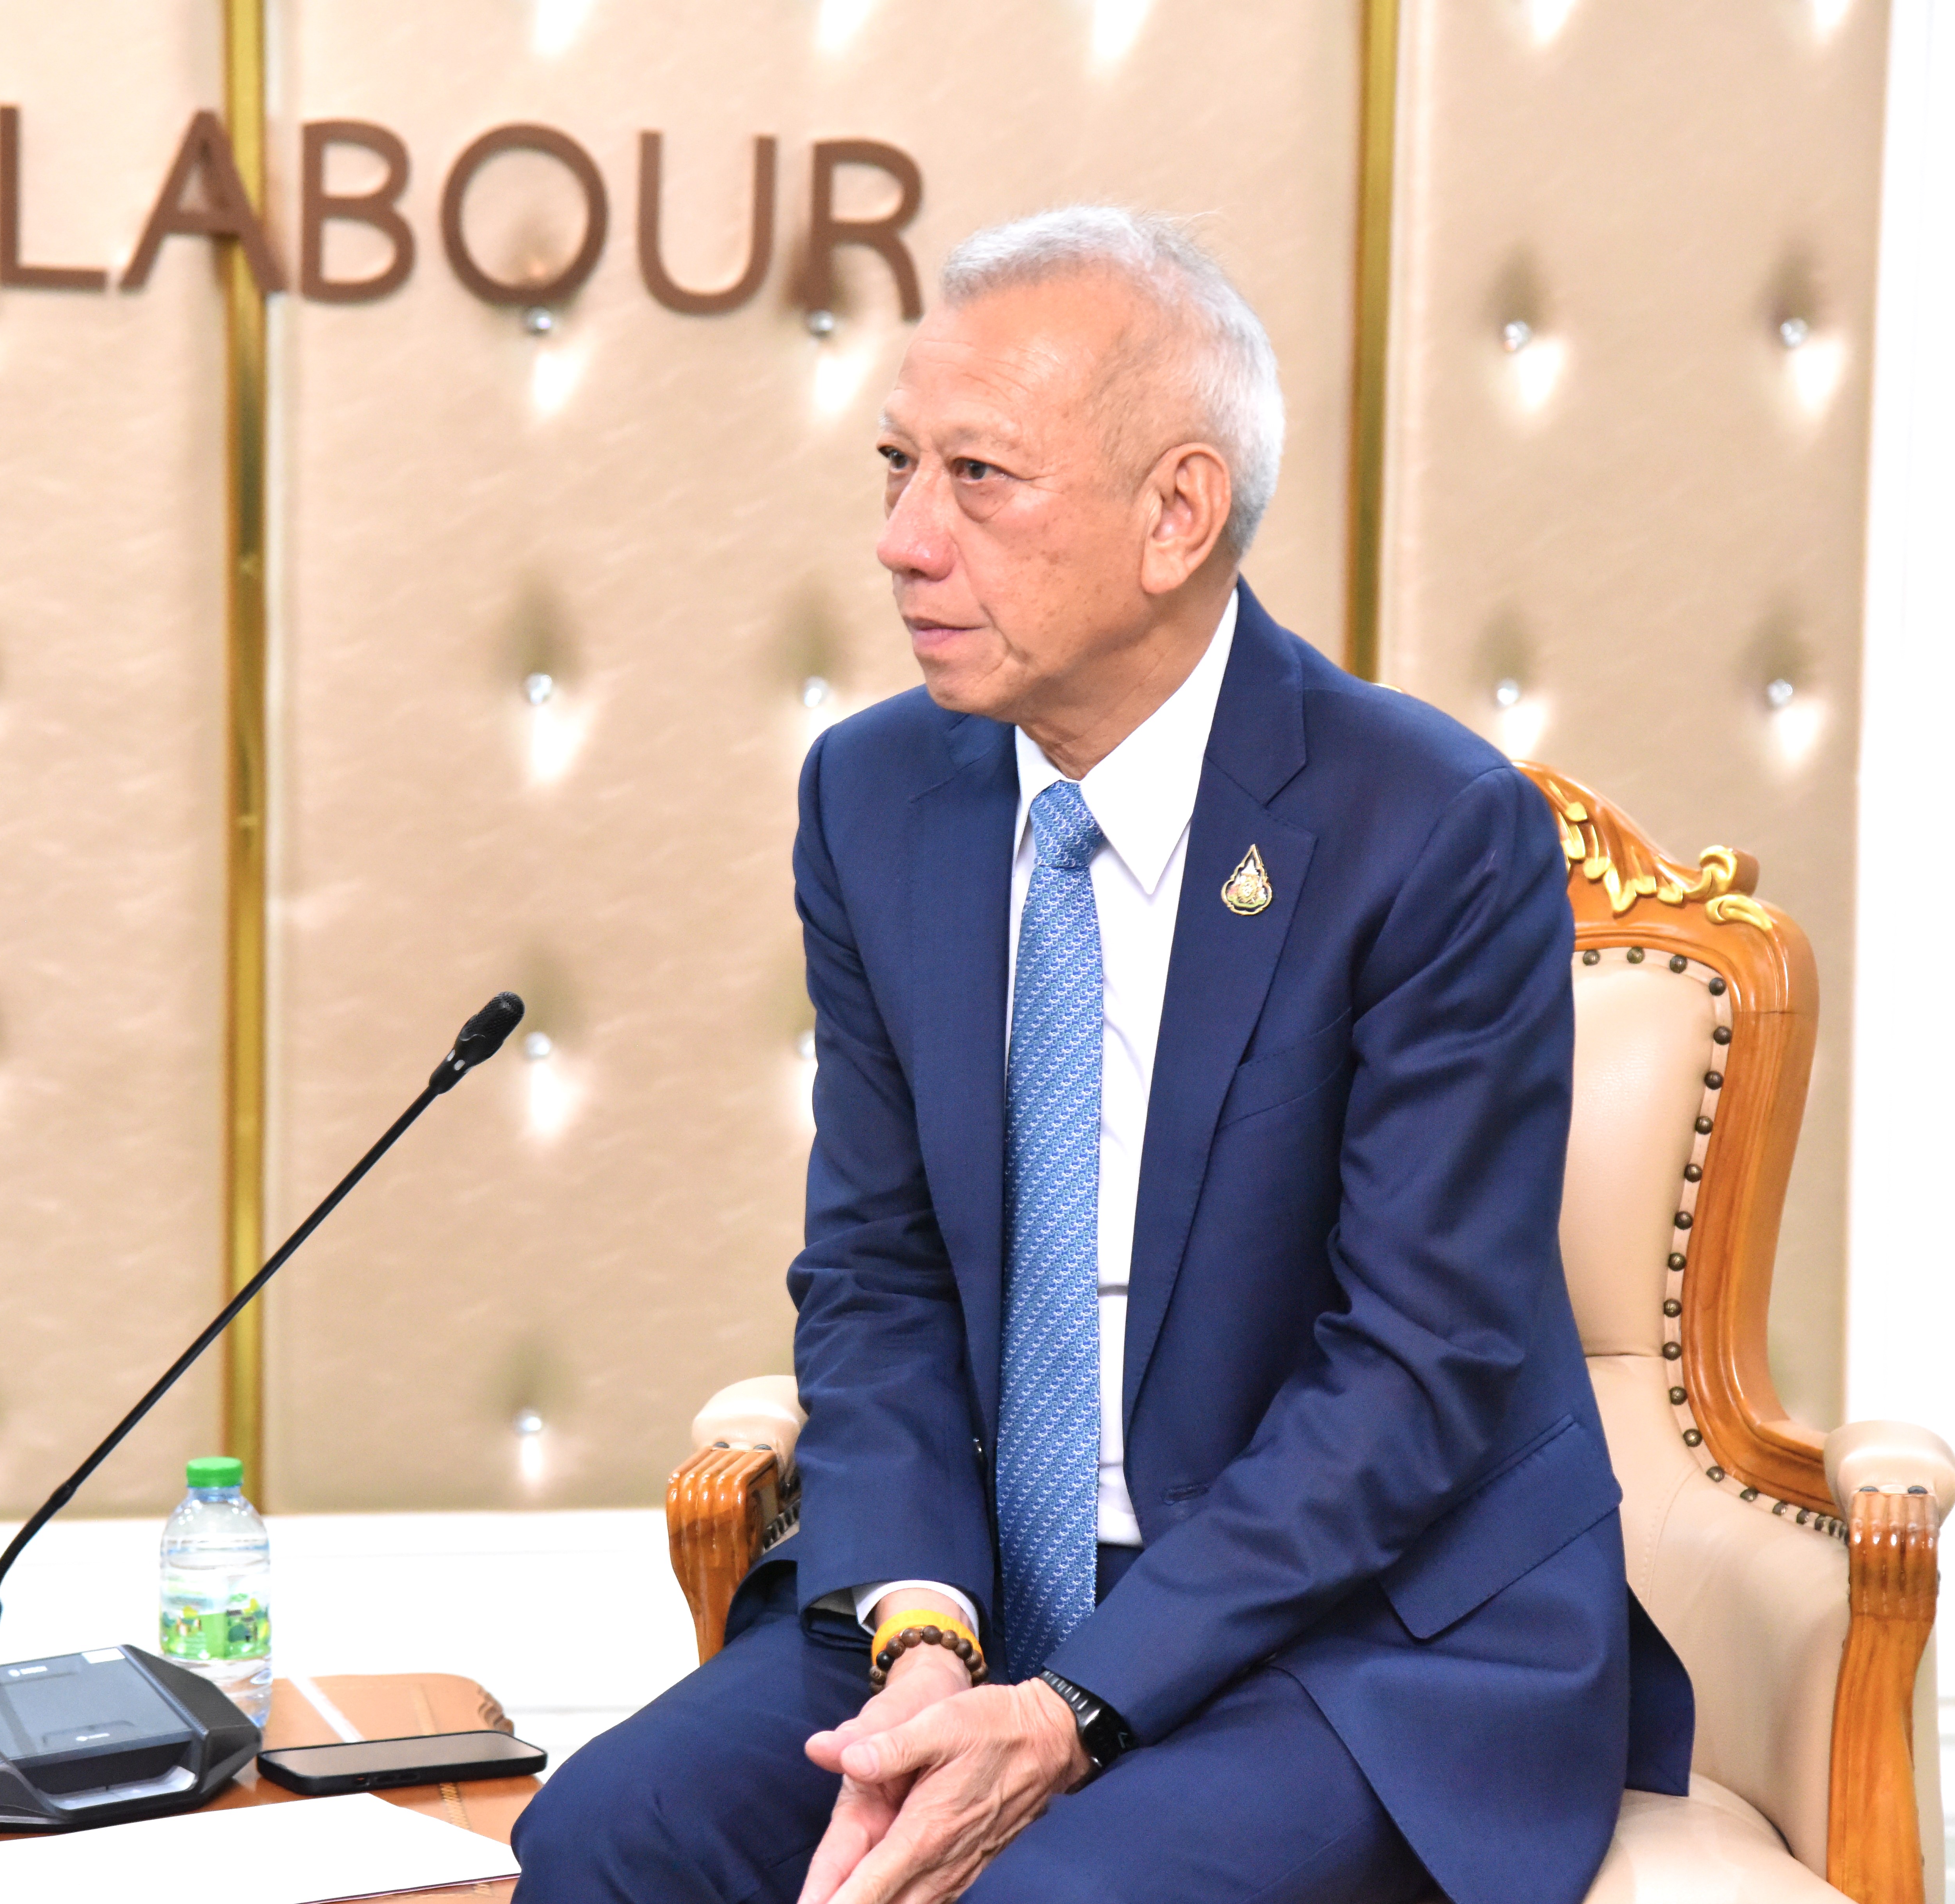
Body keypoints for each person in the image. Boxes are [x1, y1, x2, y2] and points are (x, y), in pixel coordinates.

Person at [513, 206, 1691, 1904]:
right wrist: (925, 1636)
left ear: (1176, 514)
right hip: (983, 1588)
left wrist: (1070, 1711)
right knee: (605, 1840)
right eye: (898, 466)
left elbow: (1414, 1370)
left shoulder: (1428, 829)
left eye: (978, 478)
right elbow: (877, 1273)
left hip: (1349, 1630)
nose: (904, 541)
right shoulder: (876, 797)